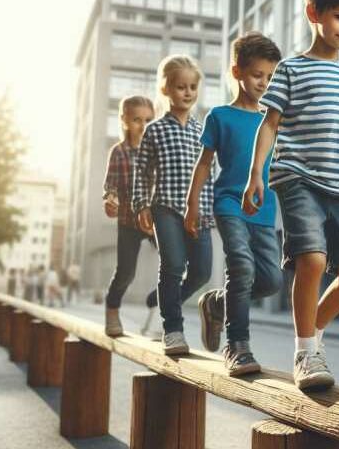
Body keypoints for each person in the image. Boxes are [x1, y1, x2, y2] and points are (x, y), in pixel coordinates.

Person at [242, 0, 339, 391]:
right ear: (313, 12)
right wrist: (257, 175)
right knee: (313, 260)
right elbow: (269, 124)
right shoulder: (290, 69)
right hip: (297, 176)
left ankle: (312, 331)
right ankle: (306, 352)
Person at [186, 32, 283, 376]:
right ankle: (237, 346)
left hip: (264, 209)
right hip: (228, 202)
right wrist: (192, 204)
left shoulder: (272, 120)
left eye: (271, 77)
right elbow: (204, 163)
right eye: (258, 74)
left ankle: (216, 304)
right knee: (241, 267)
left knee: (270, 280)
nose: (264, 82)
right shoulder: (220, 116)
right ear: (237, 71)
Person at [133, 54, 215, 355]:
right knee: (173, 266)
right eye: (181, 87)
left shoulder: (202, 130)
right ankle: (173, 329)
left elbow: (211, 172)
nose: (188, 92)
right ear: (166, 89)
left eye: (193, 87)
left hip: (200, 211)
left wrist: (213, 210)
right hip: (165, 208)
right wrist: (141, 205)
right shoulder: (154, 130)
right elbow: (142, 172)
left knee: (202, 272)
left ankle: (162, 297)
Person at [102, 96, 155, 336]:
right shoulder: (119, 152)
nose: (143, 126)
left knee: (178, 262)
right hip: (128, 222)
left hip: (155, 220)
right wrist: (110, 200)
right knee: (126, 272)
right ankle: (112, 308)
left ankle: (160, 310)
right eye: (137, 120)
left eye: (148, 120)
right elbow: (111, 186)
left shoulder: (157, 150)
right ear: (123, 120)